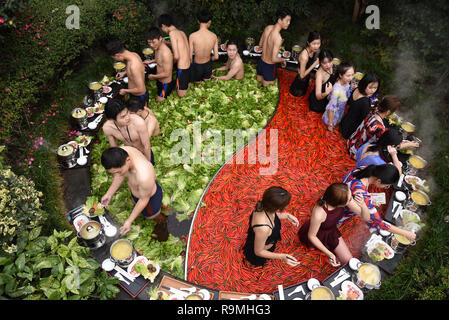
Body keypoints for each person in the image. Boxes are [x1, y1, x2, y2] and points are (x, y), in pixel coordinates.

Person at [100, 146, 167, 240]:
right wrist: (109, 193)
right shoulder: (121, 153)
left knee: (152, 216)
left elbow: (144, 199)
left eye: (119, 171)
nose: (118, 174)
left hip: (149, 201)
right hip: (138, 191)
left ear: (128, 160)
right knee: (137, 206)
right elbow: (119, 175)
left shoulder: (144, 175)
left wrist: (129, 221)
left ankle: (161, 222)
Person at [298, 183, 369, 267]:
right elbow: (312, 236)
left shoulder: (343, 198)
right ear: (340, 204)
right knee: (346, 260)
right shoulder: (319, 213)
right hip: (318, 232)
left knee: (349, 260)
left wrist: (363, 205)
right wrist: (329, 254)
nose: (351, 199)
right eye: (350, 199)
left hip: (331, 230)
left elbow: (366, 217)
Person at [341, 164, 416, 242]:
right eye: (387, 185)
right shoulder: (361, 193)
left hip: (343, 195)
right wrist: (406, 233)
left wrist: (369, 198)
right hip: (341, 211)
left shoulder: (366, 169)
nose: (386, 187)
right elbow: (379, 222)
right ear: (379, 181)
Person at [243, 186, 300, 267]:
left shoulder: (263, 204)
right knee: (259, 264)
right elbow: (258, 252)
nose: (287, 207)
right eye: (286, 206)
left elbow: (271, 214)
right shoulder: (264, 229)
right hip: (259, 251)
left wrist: (287, 216)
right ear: (276, 208)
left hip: (264, 242)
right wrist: (282, 256)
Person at [347, 95, 419, 159]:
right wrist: (410, 144)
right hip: (355, 152)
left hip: (352, 141)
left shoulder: (373, 111)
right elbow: (391, 146)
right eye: (393, 111)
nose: (393, 113)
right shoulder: (379, 128)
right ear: (388, 112)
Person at [102, 99, 153, 164]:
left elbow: (147, 145)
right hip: (129, 154)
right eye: (123, 117)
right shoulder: (107, 128)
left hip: (144, 152)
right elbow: (114, 149)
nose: (128, 117)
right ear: (111, 119)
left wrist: (148, 162)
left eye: (127, 112)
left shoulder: (138, 122)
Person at [256, 8, 292, 87]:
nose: (289, 23)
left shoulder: (268, 28)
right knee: (268, 93)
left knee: (257, 86)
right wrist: (283, 60)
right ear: (279, 20)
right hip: (269, 67)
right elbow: (274, 59)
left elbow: (260, 45)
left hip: (261, 63)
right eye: (287, 20)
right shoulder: (278, 38)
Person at [106, 40, 148, 106]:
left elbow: (141, 89)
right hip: (134, 93)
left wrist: (125, 91)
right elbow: (141, 68)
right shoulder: (134, 54)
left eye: (114, 58)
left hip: (139, 97)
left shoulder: (134, 66)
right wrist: (125, 72)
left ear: (117, 55)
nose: (116, 60)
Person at [158, 14, 191, 98]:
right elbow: (184, 47)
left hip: (182, 68)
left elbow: (176, 56)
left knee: (181, 94)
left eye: (162, 28)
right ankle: (183, 84)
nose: (163, 30)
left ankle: (181, 87)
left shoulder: (172, 33)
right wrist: (168, 43)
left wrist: (170, 64)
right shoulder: (181, 32)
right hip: (188, 65)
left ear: (163, 25)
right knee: (183, 83)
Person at [339, 73, 380, 139]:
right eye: (370, 87)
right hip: (350, 130)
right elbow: (363, 119)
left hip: (344, 122)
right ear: (364, 84)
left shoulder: (356, 89)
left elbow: (349, 103)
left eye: (375, 88)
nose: (373, 90)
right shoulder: (365, 102)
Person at [144, 27, 175, 102]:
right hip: (159, 80)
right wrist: (150, 61)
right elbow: (159, 59)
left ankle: (172, 86)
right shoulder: (157, 47)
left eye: (153, 42)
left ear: (160, 38)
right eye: (149, 43)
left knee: (159, 101)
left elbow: (167, 74)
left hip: (166, 83)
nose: (151, 45)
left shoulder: (166, 53)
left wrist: (153, 76)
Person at [126, 98, 160, 165]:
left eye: (131, 114)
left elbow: (145, 141)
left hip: (153, 138)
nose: (129, 116)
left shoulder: (150, 121)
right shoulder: (142, 108)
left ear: (139, 111)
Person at [322, 62, 354, 132]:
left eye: (352, 75)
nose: (351, 78)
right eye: (348, 75)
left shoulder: (346, 82)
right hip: (332, 115)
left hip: (340, 111)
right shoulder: (336, 91)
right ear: (341, 75)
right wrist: (330, 124)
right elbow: (331, 108)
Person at [189, 10, 219, 84]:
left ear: (198, 21)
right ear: (209, 21)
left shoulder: (192, 36)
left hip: (197, 66)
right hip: (208, 66)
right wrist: (210, 58)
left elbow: (189, 57)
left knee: (197, 86)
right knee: (207, 87)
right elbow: (216, 57)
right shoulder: (214, 36)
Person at [288, 31, 321, 97]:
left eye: (318, 43)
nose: (316, 46)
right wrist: (314, 65)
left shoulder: (313, 50)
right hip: (299, 85)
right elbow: (302, 76)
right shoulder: (304, 56)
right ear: (308, 43)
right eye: (314, 44)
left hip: (306, 80)